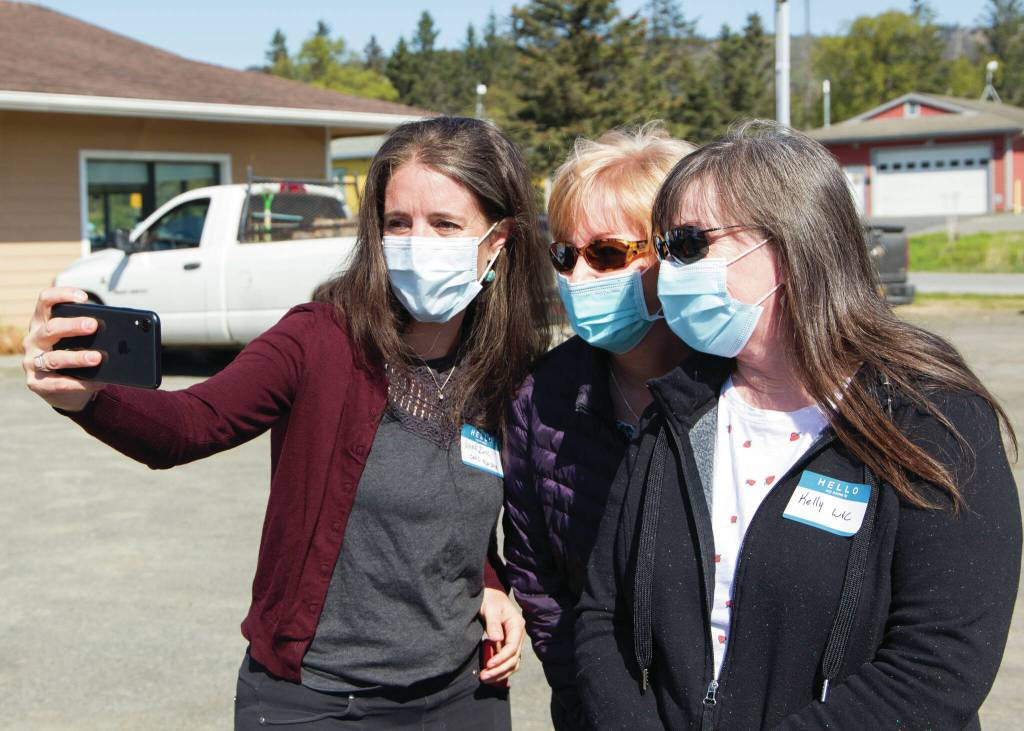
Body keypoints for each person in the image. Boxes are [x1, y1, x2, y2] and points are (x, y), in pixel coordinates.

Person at [24, 116, 553, 730]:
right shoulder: (321, 338)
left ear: (499, 240)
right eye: (397, 223)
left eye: (445, 224)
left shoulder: (504, 365)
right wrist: (89, 399)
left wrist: (489, 581)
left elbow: (462, 507)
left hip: (462, 695)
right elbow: (191, 423)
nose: (416, 242)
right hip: (320, 704)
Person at [575, 120, 1022, 730]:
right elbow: (603, 616)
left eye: (687, 245)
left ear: (792, 244)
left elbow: (939, 666)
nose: (666, 271)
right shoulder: (677, 410)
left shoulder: (930, 416)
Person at [502, 124, 693, 730]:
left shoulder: (745, 389)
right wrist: (593, 700)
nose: (579, 277)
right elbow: (538, 579)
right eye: (565, 254)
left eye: (608, 253)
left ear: (672, 251)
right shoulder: (541, 396)